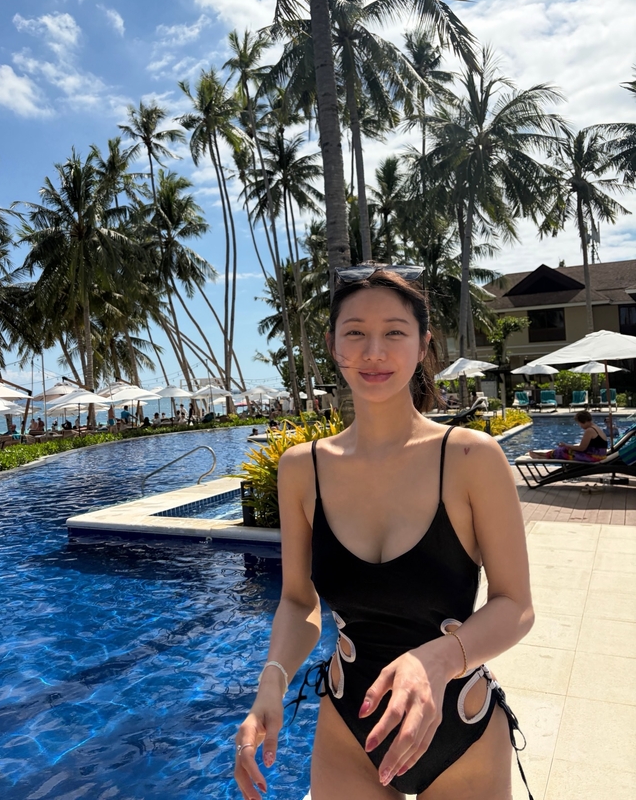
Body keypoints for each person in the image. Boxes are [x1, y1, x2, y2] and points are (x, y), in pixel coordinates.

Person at [234, 267, 534, 800]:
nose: (374, 352)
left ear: (423, 345)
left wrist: (437, 659)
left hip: (458, 726)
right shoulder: (302, 469)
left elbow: (515, 605)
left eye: (395, 331)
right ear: (333, 345)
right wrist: (272, 680)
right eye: (355, 332)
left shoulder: (470, 458)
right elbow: (299, 601)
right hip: (350, 726)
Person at [529, 410, 609, 462]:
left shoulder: (590, 430)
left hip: (594, 457)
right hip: (599, 456)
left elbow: (582, 448)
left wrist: (567, 445)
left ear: (584, 421)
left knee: (563, 451)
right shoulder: (596, 427)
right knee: (564, 449)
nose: (580, 426)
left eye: (579, 423)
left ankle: (542, 457)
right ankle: (542, 455)